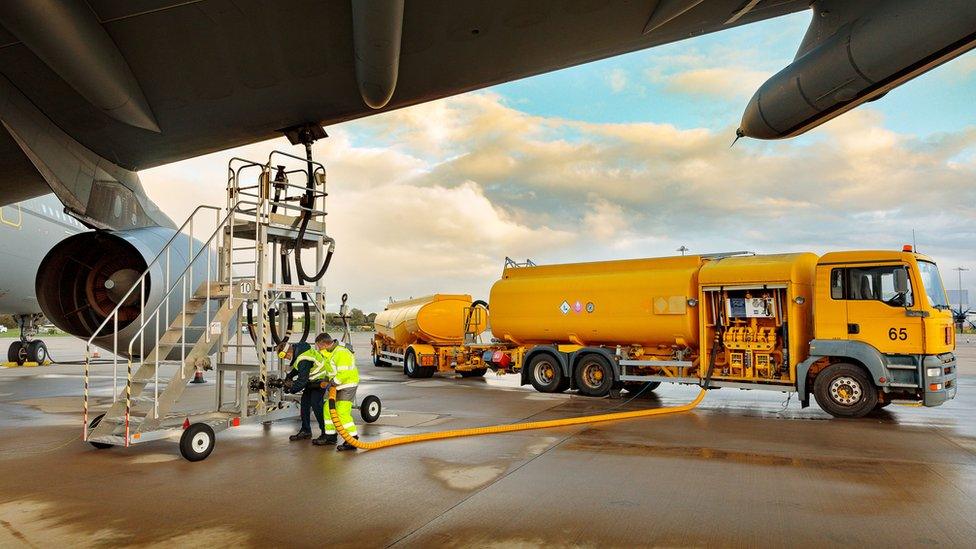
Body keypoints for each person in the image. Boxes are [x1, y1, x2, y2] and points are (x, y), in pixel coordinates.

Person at [277, 341, 330, 443]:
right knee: (304, 404)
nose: (284, 358)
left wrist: (290, 389)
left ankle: (326, 433)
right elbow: (298, 369)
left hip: (321, 380)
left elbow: (302, 381)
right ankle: (306, 430)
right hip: (312, 381)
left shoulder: (303, 359)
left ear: (288, 352)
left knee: (316, 405)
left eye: (284, 356)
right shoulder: (299, 352)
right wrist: (289, 376)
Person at [315, 332, 360, 451]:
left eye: (319, 346)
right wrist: (326, 379)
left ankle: (352, 439)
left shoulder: (341, 352)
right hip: (335, 385)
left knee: (342, 412)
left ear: (324, 344)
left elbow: (344, 373)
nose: (318, 349)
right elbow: (330, 370)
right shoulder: (329, 353)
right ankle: (330, 436)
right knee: (327, 409)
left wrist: (332, 383)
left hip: (347, 384)